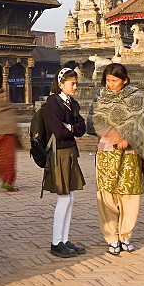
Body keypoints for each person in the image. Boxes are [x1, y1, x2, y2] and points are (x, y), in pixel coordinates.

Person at [87, 62, 144, 256]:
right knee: (107, 195)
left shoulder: (136, 98)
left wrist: (128, 137)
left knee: (129, 196)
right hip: (107, 153)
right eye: (108, 80)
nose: (110, 84)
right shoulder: (100, 97)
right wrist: (112, 134)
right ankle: (111, 237)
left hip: (130, 155)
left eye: (114, 81)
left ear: (125, 80)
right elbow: (91, 122)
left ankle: (126, 236)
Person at [41, 67, 87, 258]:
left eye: (76, 83)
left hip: (69, 152)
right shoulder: (53, 103)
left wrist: (70, 127)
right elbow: (58, 131)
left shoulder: (71, 103)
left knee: (70, 198)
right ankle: (55, 242)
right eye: (72, 84)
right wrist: (71, 128)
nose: (75, 87)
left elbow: (82, 127)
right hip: (58, 152)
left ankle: (64, 239)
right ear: (61, 84)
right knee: (63, 198)